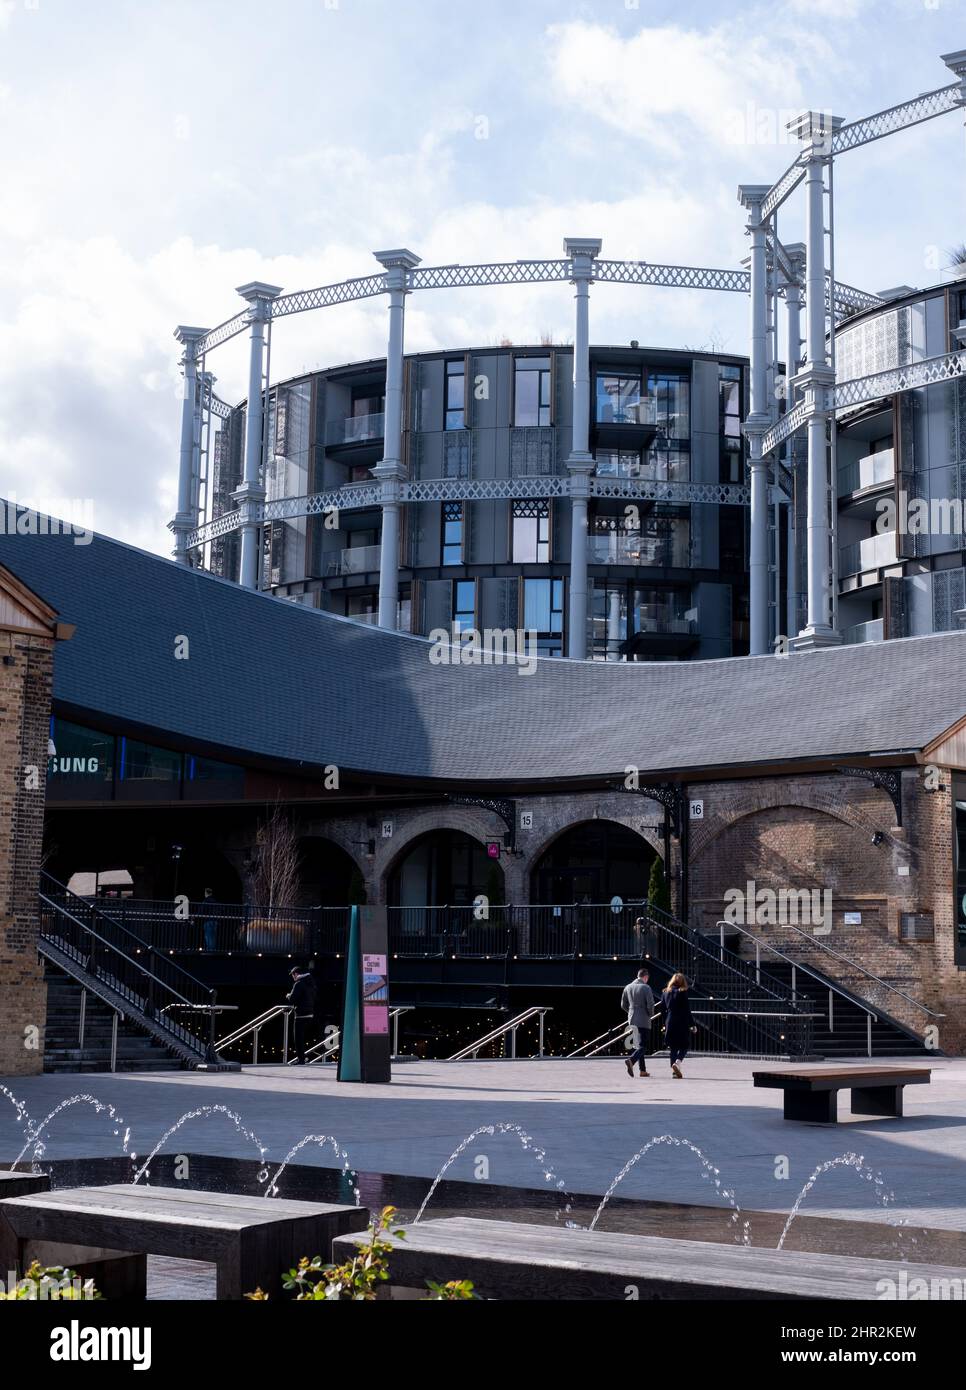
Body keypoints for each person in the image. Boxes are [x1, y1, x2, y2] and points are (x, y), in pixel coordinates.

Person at [659, 972, 697, 1079]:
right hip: (682, 1022)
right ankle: (678, 1062)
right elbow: (687, 1010)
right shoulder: (682, 992)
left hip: (670, 1021)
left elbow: (662, 1010)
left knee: (673, 1047)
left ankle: (674, 1072)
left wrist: (665, 1023)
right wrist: (692, 1024)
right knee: (685, 1045)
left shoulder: (665, 992)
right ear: (682, 982)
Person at [620, 967, 655, 1079]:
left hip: (631, 1018)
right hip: (643, 1019)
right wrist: (650, 1014)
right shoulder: (646, 987)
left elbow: (623, 1005)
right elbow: (650, 1004)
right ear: (645, 977)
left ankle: (643, 1070)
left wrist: (630, 1011)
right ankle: (631, 1060)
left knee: (638, 1045)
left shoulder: (627, 987)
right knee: (644, 1045)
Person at [286, 965, 317, 1065]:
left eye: (293, 975)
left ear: (296, 974)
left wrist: (288, 995)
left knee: (298, 1039)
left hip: (300, 1015)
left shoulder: (298, 984)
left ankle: (301, 1059)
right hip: (310, 1014)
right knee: (304, 1037)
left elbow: (292, 1000)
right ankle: (304, 1057)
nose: (293, 977)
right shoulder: (310, 983)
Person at [200, 888, 217, 952]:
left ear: (206, 893)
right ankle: (213, 950)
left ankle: (210, 951)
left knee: (208, 937)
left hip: (208, 921)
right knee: (213, 937)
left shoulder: (206, 901)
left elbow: (201, 911)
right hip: (214, 921)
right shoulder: (215, 901)